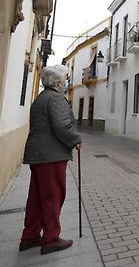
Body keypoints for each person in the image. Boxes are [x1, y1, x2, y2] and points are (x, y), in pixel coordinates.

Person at [20, 65, 82, 254]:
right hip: (51, 156)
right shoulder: (56, 99)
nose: (66, 82)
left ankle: (30, 236)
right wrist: (75, 140)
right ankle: (51, 238)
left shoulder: (41, 98)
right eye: (65, 79)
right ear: (57, 82)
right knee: (53, 197)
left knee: (37, 198)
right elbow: (62, 126)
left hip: (39, 156)